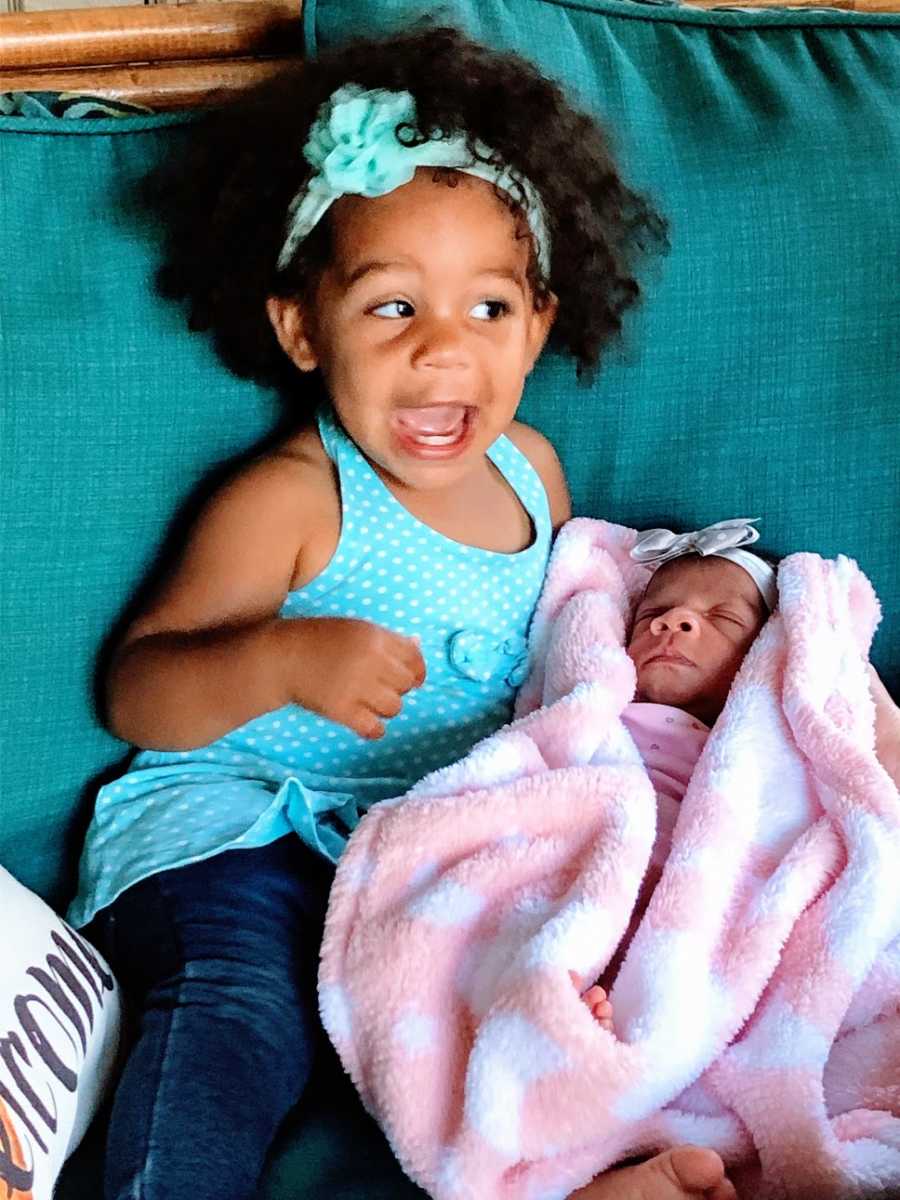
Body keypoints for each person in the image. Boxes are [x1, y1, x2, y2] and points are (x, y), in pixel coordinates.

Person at [63, 24, 706, 1200]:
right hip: (243, 833)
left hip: (423, 861)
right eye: (393, 309)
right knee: (240, 1011)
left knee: (557, 1000)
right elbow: (137, 691)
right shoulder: (291, 500)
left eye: (488, 311)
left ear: (543, 323)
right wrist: (278, 658)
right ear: (303, 328)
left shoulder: (536, 476)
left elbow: (573, 639)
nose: (443, 356)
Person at [577, 519, 900, 1200]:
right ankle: (608, 1136)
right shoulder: (604, 717)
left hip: (741, 907)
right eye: (654, 615)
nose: (676, 626)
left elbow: (874, 765)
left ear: (768, 654)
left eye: (718, 617)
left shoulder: (773, 729)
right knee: (579, 972)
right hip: (622, 884)